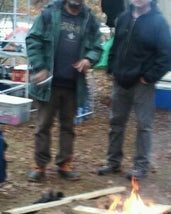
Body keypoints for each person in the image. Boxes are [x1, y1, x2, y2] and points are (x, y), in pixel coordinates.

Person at [25, 0, 103, 181]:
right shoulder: (49, 14)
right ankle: (40, 165)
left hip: (74, 84)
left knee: (68, 127)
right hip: (49, 83)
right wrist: (40, 67)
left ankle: (64, 164)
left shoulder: (90, 19)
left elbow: (97, 46)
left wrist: (89, 59)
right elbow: (32, 39)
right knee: (43, 125)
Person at [97, 0, 171, 180]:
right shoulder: (123, 18)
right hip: (121, 80)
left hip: (142, 84)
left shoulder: (158, 22)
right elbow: (116, 46)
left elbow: (166, 56)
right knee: (116, 122)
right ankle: (113, 161)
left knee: (143, 125)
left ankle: (141, 166)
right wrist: (112, 68)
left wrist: (149, 77)